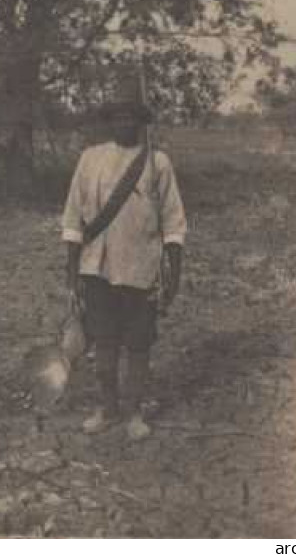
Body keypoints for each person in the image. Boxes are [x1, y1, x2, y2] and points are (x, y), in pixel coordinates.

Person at [61, 74, 186, 441]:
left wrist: (173, 277)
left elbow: (174, 223)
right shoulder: (90, 159)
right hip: (96, 268)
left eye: (131, 116)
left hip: (141, 268)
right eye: (117, 116)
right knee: (103, 341)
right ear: (109, 119)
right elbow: (73, 220)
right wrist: (72, 278)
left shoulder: (157, 163)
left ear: (141, 121)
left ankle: (133, 412)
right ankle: (108, 408)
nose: (123, 122)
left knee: (138, 343)